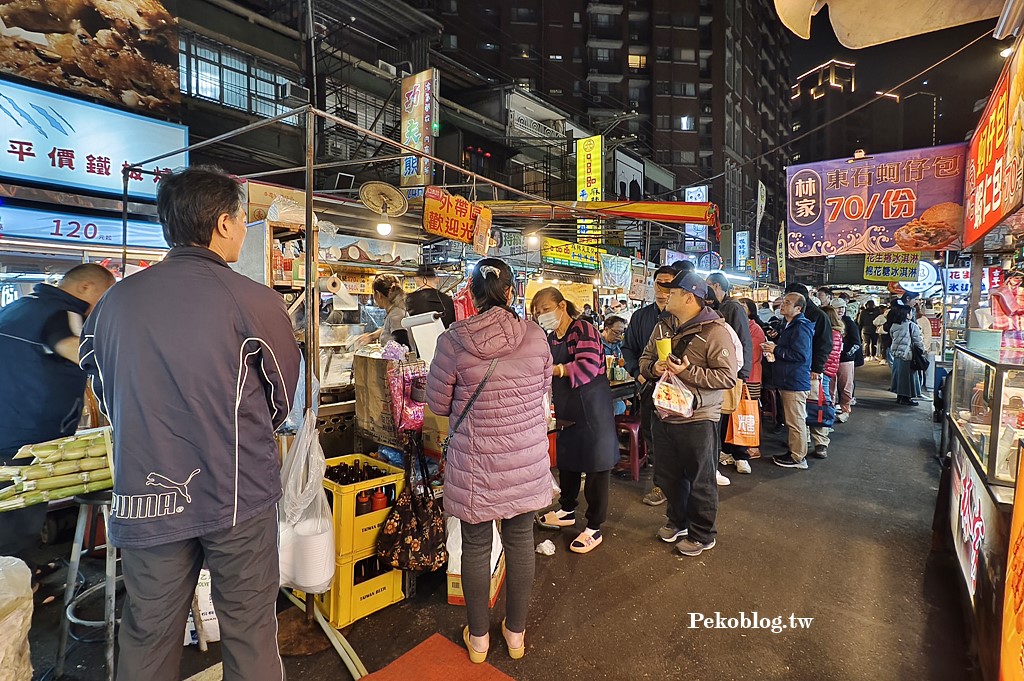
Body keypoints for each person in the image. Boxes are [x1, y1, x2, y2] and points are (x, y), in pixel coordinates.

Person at [79, 166, 301, 681]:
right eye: (242, 221)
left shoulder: (114, 303)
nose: (243, 231)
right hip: (236, 495)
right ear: (224, 224)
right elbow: (280, 400)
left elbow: (102, 390)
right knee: (249, 633)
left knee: (147, 634)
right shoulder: (254, 300)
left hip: (147, 497)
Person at [425, 258, 551, 664]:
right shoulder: (536, 336)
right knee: (519, 542)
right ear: (512, 292)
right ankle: (515, 635)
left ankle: (478, 640)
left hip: (476, 463)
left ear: (472, 297)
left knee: (476, 547)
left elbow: (437, 405)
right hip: (525, 459)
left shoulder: (451, 341)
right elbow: (541, 391)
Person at [0, 264, 115, 579]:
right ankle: (14, 601)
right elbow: (81, 353)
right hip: (22, 442)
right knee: (13, 527)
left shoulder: (20, 307)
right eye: (104, 297)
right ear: (85, 288)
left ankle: (19, 579)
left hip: (9, 429)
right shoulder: (62, 312)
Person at [638, 272, 737, 556]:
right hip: (664, 413)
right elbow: (646, 358)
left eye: (672, 291)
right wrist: (652, 369)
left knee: (700, 478)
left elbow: (727, 377)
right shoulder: (663, 327)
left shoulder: (715, 331)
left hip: (698, 417)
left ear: (689, 297)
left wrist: (687, 372)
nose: (665, 294)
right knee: (668, 475)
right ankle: (677, 521)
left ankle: (703, 533)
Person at [531, 288, 617, 554]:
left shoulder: (584, 330)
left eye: (545, 309)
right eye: (537, 312)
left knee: (595, 465)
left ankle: (594, 527)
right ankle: (567, 510)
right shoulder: (550, 337)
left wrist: (556, 370)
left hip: (592, 407)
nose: (541, 315)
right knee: (568, 461)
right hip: (568, 409)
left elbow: (589, 366)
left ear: (561, 306)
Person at [622, 265, 678, 506]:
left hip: (680, 391)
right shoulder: (641, 317)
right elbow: (628, 349)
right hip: (649, 387)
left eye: (668, 284)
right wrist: (639, 374)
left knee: (678, 438)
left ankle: (682, 484)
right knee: (653, 436)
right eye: (659, 283)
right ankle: (661, 486)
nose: (662, 289)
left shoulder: (685, 317)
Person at [706, 274, 753, 477]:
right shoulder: (722, 306)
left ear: (717, 286)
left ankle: (740, 455)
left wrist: (742, 374)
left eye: (708, 286)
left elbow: (743, 340)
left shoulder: (732, 307)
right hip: (726, 370)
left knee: (732, 414)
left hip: (732, 371)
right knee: (724, 417)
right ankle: (727, 453)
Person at [763, 292, 814, 470]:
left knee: (795, 420)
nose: (782, 305)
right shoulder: (790, 324)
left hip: (794, 380)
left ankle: (798, 457)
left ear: (798, 308)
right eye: (783, 302)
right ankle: (794, 452)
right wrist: (777, 340)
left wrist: (776, 349)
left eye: (788, 302)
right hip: (788, 379)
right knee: (793, 420)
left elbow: (801, 355)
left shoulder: (801, 327)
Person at [785, 283, 833, 456]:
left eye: (788, 299)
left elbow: (825, 344)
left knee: (816, 404)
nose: (784, 303)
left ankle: (820, 442)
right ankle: (802, 442)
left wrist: (817, 368)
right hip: (796, 370)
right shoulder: (792, 316)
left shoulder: (817, 315)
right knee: (800, 409)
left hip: (811, 370)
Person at [813, 306, 843, 458]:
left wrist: (817, 369)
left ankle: (821, 440)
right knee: (823, 401)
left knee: (821, 403)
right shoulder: (837, 333)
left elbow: (826, 355)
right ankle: (820, 438)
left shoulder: (829, 333)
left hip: (822, 372)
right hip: (828, 371)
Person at [889, 301, 926, 406]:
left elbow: (893, 338)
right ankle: (907, 398)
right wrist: (922, 351)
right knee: (909, 377)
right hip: (908, 355)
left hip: (897, 355)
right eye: (910, 313)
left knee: (900, 377)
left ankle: (900, 397)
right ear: (906, 314)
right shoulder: (912, 326)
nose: (911, 315)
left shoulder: (894, 326)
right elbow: (918, 341)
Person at [832, 299, 863, 423]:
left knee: (846, 386)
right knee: (830, 387)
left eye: (843, 307)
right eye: (838, 307)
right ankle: (830, 411)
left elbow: (857, 342)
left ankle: (845, 410)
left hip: (845, 360)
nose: (841, 310)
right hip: (831, 360)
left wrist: (847, 355)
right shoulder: (828, 321)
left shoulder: (849, 322)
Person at [358, 274, 408, 346]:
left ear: (378, 294)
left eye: (373, 293)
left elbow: (403, 346)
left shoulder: (396, 316)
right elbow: (392, 329)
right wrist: (371, 336)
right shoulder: (396, 312)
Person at [404, 264, 456, 328]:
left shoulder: (410, 299)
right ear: (437, 279)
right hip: (444, 336)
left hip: (419, 337)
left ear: (416, 279)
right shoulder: (448, 300)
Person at [601, 315, 628, 416]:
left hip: (617, 386)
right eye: (617, 332)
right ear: (606, 329)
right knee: (617, 406)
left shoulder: (620, 345)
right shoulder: (596, 344)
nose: (619, 336)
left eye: (622, 333)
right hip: (600, 389)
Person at [917, 305, 933, 392]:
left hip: (921, 348)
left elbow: (927, 334)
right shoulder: (908, 318)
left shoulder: (923, 320)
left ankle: (920, 386)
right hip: (912, 349)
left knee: (920, 367)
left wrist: (925, 347)